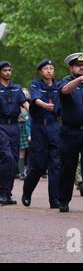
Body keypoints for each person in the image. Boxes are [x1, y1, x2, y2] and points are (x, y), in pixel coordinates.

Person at [58, 52, 83, 213]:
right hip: (70, 132)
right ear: (71, 68)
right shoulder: (66, 82)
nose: (82, 68)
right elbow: (65, 91)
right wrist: (79, 80)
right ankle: (63, 200)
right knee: (68, 167)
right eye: (78, 65)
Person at [22, 59, 61, 208]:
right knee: (38, 165)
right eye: (46, 68)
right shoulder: (36, 84)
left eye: (51, 68)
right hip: (39, 127)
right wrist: (44, 104)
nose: (49, 71)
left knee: (55, 164)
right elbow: (36, 99)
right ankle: (27, 192)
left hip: (54, 126)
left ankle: (55, 199)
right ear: (40, 71)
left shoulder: (58, 85)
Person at [0, 61, 29, 205]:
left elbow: (26, 104)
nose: (7, 73)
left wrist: (36, 114)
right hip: (1, 125)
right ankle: (3, 192)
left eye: (9, 70)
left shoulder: (17, 89)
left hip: (15, 127)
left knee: (13, 161)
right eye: (5, 70)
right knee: (7, 158)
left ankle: (6, 193)